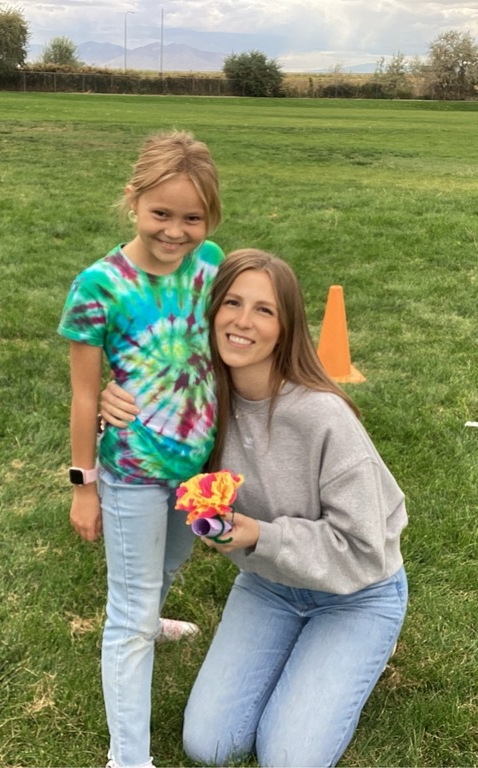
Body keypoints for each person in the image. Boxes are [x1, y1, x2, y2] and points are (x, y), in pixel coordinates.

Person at [101, 248, 408, 768]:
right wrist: (118, 409)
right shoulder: (199, 408)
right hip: (269, 586)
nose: (244, 322)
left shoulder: (322, 416)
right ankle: (306, 655)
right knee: (210, 745)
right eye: (233, 303)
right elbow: (141, 459)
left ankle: (359, 651)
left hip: (357, 591)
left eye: (264, 310)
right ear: (211, 311)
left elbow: (365, 547)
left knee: (287, 758)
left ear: (286, 327)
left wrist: (258, 536)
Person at [57, 130, 225, 768]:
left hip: (201, 466)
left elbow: (228, 345)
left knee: (167, 572)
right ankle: (128, 758)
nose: (176, 231)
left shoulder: (213, 264)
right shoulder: (99, 285)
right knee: (127, 612)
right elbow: (82, 396)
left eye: (192, 217)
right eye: (162, 213)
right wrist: (84, 485)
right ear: (134, 201)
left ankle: (155, 619)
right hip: (130, 471)